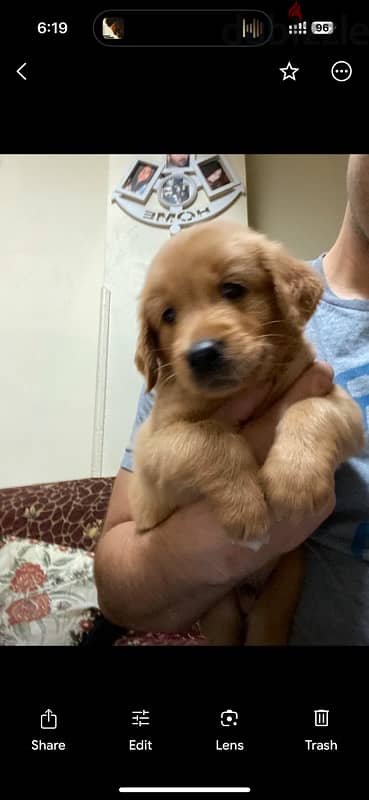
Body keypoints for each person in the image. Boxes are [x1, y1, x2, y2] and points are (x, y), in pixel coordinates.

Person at [95, 154, 369, 645]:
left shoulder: (291, 352)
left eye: (232, 290)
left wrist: (307, 428)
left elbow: (338, 414)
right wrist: (227, 488)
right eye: (170, 316)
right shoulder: (178, 385)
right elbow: (157, 458)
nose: (200, 341)